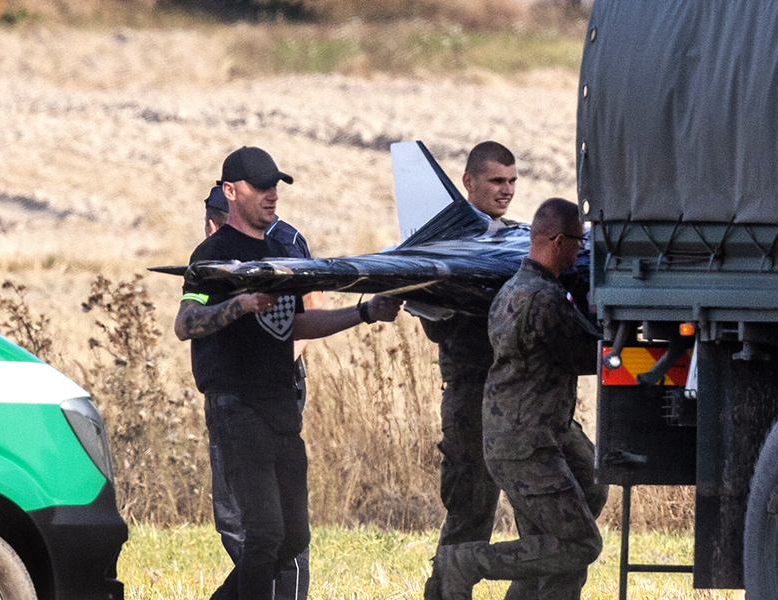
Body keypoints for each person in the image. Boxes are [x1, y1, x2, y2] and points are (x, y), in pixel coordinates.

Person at [175, 146, 402, 600]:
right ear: (230, 192)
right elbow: (186, 323)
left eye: (275, 185)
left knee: (294, 536)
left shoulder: (282, 252)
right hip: (235, 407)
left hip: (280, 405)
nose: (272, 195)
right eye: (261, 187)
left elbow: (295, 323)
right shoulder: (212, 255)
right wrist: (239, 304)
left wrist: (365, 312)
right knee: (264, 533)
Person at [428, 198, 608, 600]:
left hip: (533, 434)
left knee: (578, 508)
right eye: (577, 243)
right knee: (581, 544)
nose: (581, 251)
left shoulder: (515, 288)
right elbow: (584, 354)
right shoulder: (543, 300)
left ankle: (526, 588)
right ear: (558, 241)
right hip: (527, 443)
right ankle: (468, 561)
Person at [202, 185, 324, 600]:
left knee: (276, 527)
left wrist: (269, 362)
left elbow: (312, 310)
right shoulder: (218, 251)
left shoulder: (285, 243)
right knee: (243, 521)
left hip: (275, 391)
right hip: (237, 395)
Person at [421, 141, 518, 598]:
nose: (507, 190)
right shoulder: (448, 246)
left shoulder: (516, 240)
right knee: (472, 509)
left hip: (522, 394)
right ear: (469, 182)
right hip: (470, 395)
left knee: (577, 495)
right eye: (497, 181)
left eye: (513, 181)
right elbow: (432, 318)